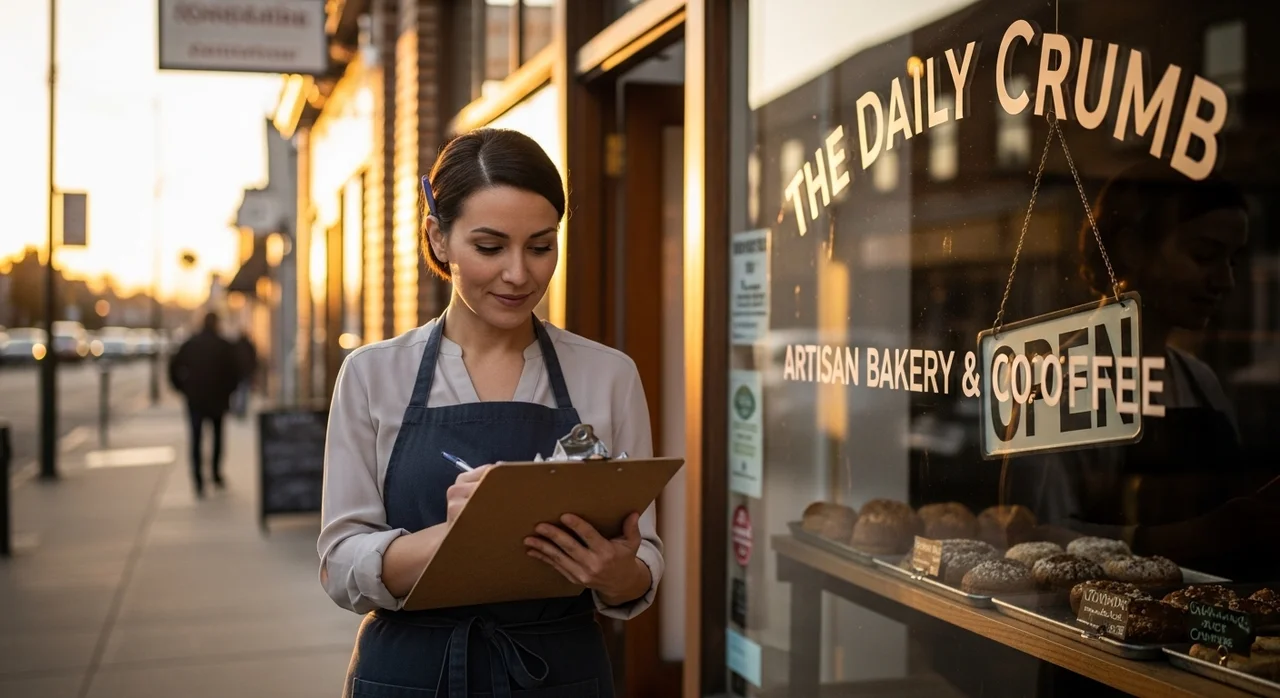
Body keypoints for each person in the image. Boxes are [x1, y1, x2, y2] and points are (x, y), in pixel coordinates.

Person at [319, 128, 662, 698]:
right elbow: (340, 564)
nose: (519, 274)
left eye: (540, 246)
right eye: (489, 247)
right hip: (411, 674)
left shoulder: (609, 374)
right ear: (439, 238)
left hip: (562, 673)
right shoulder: (372, 374)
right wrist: (464, 534)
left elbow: (641, 556)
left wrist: (616, 572)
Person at [1021, 160, 1280, 581]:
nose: (1225, 281)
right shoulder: (1058, 385)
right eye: (1204, 255)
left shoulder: (1201, 381)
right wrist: (1196, 537)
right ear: (1132, 250)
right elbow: (1036, 542)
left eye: (1232, 261)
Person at [168, 311, 240, 498]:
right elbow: (235, 372)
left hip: (196, 400)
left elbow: (173, 367)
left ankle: (198, 479)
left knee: (196, 439)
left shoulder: (190, 344)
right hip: (216, 399)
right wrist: (228, 391)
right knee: (217, 438)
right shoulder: (223, 345)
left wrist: (183, 388)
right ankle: (215, 473)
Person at [231, 329, 258, 419]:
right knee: (243, 392)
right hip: (245, 373)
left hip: (239, 373)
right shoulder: (248, 346)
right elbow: (254, 359)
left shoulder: (236, 346)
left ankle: (239, 410)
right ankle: (241, 410)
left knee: (239, 392)